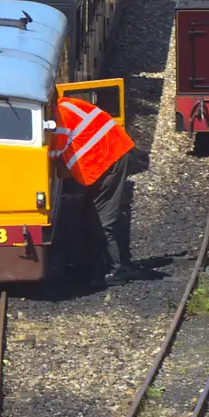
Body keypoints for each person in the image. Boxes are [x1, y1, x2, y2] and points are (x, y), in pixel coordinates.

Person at [51, 93, 137, 286]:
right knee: (90, 214)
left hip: (108, 158)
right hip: (108, 153)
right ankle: (94, 263)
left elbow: (55, 159)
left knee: (102, 219)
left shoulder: (60, 116)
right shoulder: (65, 106)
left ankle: (115, 270)